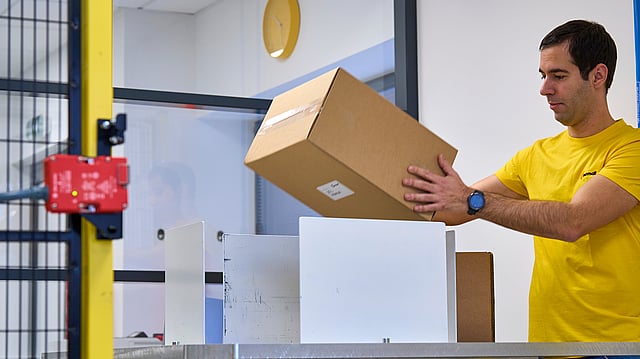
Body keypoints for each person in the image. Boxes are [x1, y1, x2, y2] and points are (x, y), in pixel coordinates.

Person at [402, 19, 640, 343]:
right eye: (543, 76)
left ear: (598, 75)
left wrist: (472, 200)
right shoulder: (535, 156)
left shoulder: (631, 148)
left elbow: (573, 221)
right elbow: (453, 210)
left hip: (618, 348)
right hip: (548, 346)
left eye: (558, 76)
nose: (544, 89)